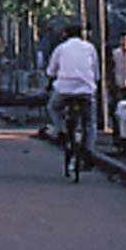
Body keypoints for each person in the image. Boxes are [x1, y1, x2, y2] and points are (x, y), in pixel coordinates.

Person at [46, 23, 100, 161]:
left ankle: (61, 130)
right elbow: (96, 73)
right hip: (86, 89)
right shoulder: (90, 48)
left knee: (53, 107)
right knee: (89, 122)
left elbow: (51, 71)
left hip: (64, 88)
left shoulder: (61, 48)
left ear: (65, 35)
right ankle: (88, 150)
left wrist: (49, 84)